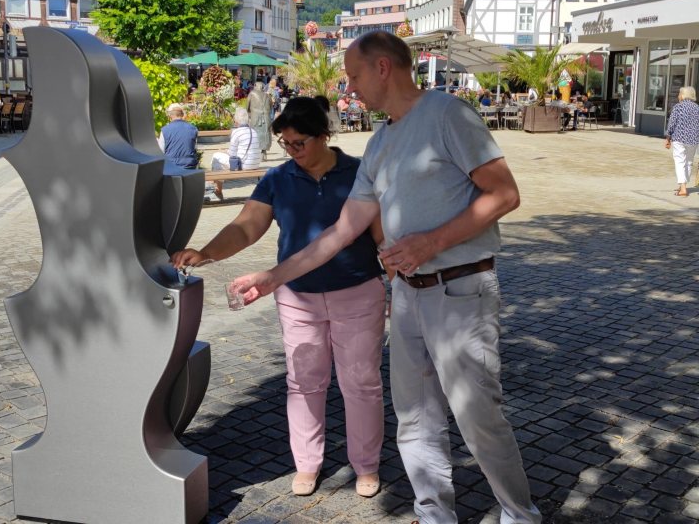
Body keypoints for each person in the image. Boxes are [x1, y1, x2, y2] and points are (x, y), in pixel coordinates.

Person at [232, 31, 541, 524]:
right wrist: (273, 277)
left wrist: (430, 242)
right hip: (408, 294)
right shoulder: (381, 140)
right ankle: (434, 513)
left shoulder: (448, 114)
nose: (349, 88)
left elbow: (504, 194)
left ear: (382, 68)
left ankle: (519, 513)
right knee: (415, 420)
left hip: (459, 288)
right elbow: (341, 232)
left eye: (353, 75)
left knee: (477, 416)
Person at [172, 97, 388, 500]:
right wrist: (206, 252)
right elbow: (246, 227)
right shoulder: (278, 178)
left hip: (357, 290)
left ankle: (366, 464)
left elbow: (381, 233)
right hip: (297, 297)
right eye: (286, 143)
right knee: (304, 382)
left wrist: (396, 277)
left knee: (361, 382)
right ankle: (307, 463)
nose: (292, 151)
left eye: (299, 142)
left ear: (325, 135)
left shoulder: (359, 173)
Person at [209, 107, 261, 200]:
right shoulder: (253, 131)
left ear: (236, 121)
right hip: (255, 163)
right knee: (221, 159)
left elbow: (232, 154)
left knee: (216, 156)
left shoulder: (237, 132)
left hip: (243, 165)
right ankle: (216, 183)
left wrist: (224, 151)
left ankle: (218, 190)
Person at [665, 86, 699, 197]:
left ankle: (683, 189)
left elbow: (672, 124)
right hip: (693, 139)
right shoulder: (697, 108)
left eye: (679, 94)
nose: (678, 96)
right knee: (688, 162)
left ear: (683, 95)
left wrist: (668, 138)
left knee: (680, 161)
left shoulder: (678, 107)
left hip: (679, 138)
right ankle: (682, 186)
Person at [157, 103, 198, 169]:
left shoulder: (165, 130)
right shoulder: (193, 129)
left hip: (171, 168)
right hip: (190, 167)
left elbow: (160, 152)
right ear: (182, 115)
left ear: (170, 116)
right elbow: (194, 148)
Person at [248, 81, 272, 161]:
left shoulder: (251, 94)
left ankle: (255, 153)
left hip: (256, 117)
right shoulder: (267, 96)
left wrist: (250, 113)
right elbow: (271, 107)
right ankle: (263, 152)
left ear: (255, 86)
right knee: (265, 134)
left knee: (255, 134)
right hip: (266, 118)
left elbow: (247, 106)